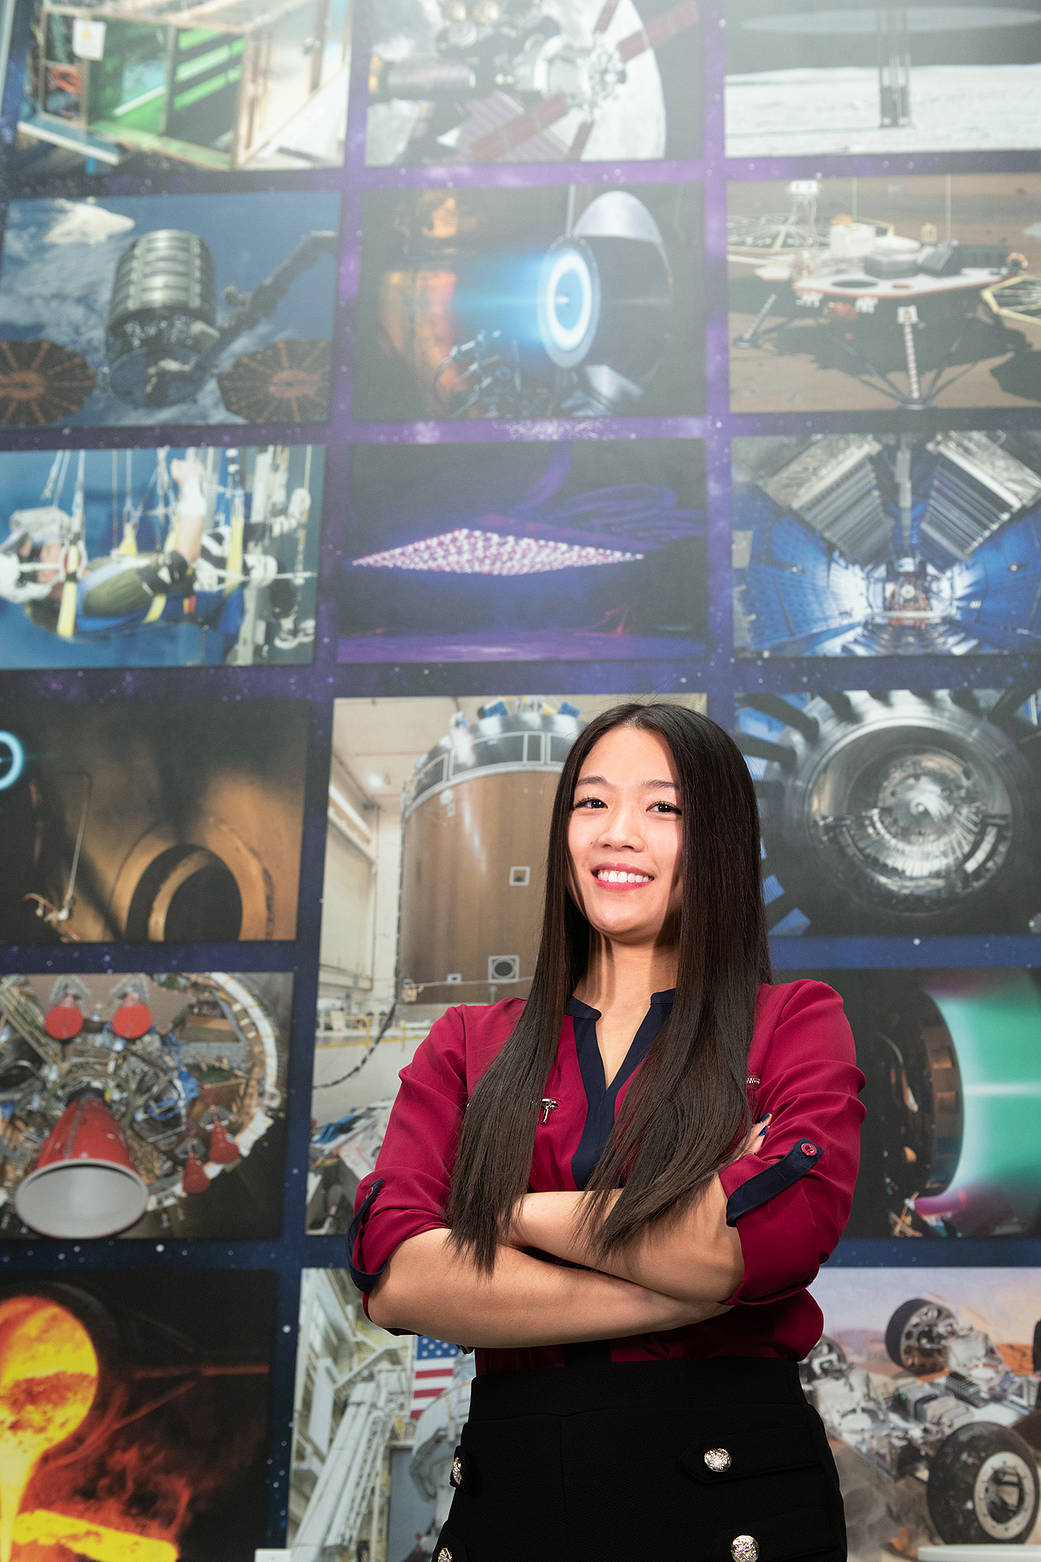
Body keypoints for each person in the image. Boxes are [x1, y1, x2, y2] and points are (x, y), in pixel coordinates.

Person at [349, 702, 865, 1562]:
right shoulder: (470, 1046)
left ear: (722, 840)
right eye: (591, 804)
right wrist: (679, 1280)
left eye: (663, 808)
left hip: (734, 1487)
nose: (617, 834)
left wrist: (502, 1214)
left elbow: (758, 1242)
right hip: (514, 1491)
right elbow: (397, 1276)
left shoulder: (792, 1021)